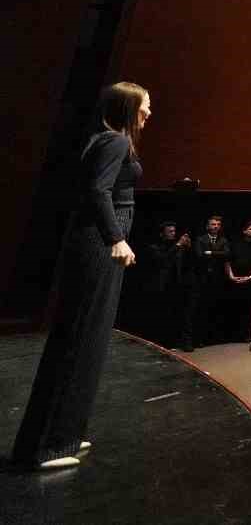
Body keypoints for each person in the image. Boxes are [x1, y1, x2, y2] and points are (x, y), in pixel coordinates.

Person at [11, 82, 149, 471]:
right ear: (127, 107)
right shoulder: (116, 142)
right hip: (101, 243)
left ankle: (65, 431)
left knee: (87, 337)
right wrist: (117, 238)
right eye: (145, 106)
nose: (149, 113)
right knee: (81, 337)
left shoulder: (105, 139)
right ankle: (49, 444)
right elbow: (98, 190)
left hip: (97, 240)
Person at [141, 220, 190, 349]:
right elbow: (163, 260)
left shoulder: (177, 246)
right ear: (162, 234)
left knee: (175, 315)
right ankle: (158, 344)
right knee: (160, 316)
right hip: (160, 287)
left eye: (174, 231)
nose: (173, 234)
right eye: (170, 232)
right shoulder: (154, 247)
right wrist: (178, 245)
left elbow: (183, 265)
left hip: (175, 285)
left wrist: (186, 247)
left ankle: (173, 342)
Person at [189, 213, 231, 348]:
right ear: (208, 226)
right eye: (213, 224)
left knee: (208, 309)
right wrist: (214, 254)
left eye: (218, 225)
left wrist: (211, 253)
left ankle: (203, 339)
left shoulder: (223, 240)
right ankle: (191, 340)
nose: (216, 227)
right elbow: (199, 255)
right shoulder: (200, 239)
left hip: (215, 280)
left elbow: (227, 254)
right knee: (194, 309)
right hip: (199, 279)